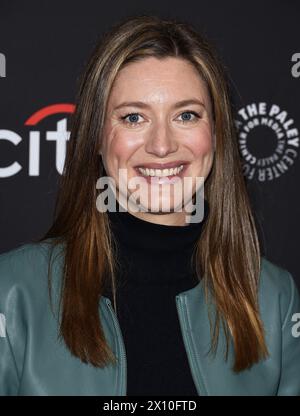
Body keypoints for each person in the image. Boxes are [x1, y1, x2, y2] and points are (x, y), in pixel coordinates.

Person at [0, 14, 300, 396]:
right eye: (134, 117)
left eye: (186, 115)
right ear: (96, 136)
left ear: (217, 133)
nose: (161, 145)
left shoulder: (273, 298)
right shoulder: (11, 292)